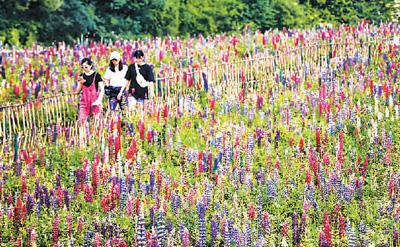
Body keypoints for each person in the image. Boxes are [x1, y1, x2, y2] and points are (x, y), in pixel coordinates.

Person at [75, 58, 104, 123]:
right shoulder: (81, 76)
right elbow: (77, 91)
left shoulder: (97, 75)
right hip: (84, 103)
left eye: (86, 67)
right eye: (82, 67)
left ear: (90, 66)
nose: (84, 68)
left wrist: (99, 100)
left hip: (95, 103)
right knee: (82, 121)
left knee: (97, 123)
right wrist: (81, 83)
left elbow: (102, 89)